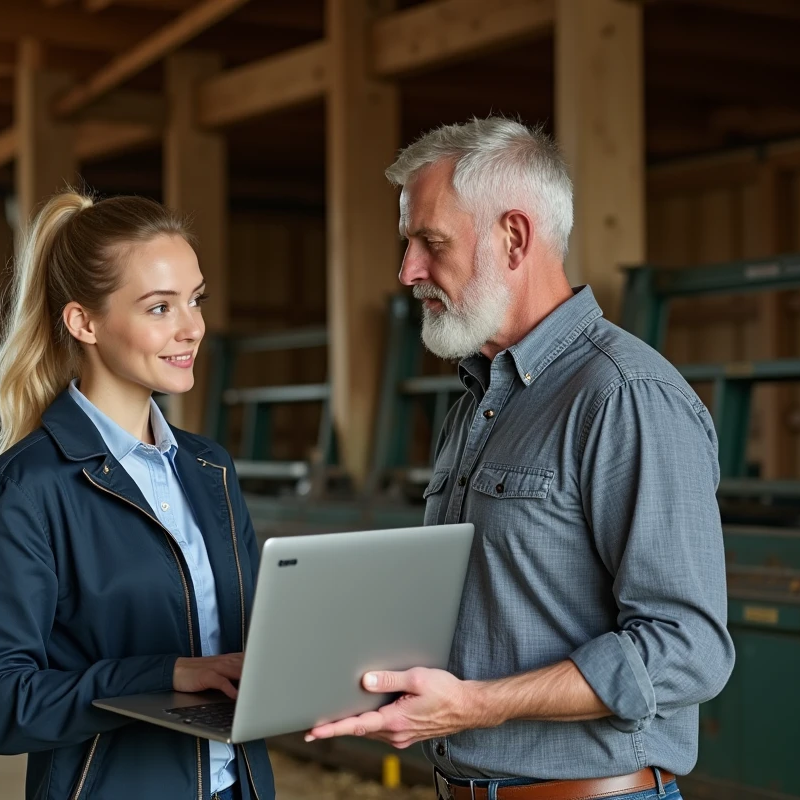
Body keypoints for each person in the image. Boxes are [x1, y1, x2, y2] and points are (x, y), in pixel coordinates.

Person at [307, 117, 734, 800]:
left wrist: (478, 705)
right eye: (407, 243)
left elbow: (687, 649)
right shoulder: (477, 401)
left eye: (430, 242)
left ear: (513, 237)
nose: (407, 271)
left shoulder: (624, 396)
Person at [0, 190, 275, 800]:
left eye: (196, 299)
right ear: (84, 323)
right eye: (160, 307)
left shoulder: (210, 467)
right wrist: (164, 674)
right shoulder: (24, 490)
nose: (192, 328)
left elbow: (245, 648)